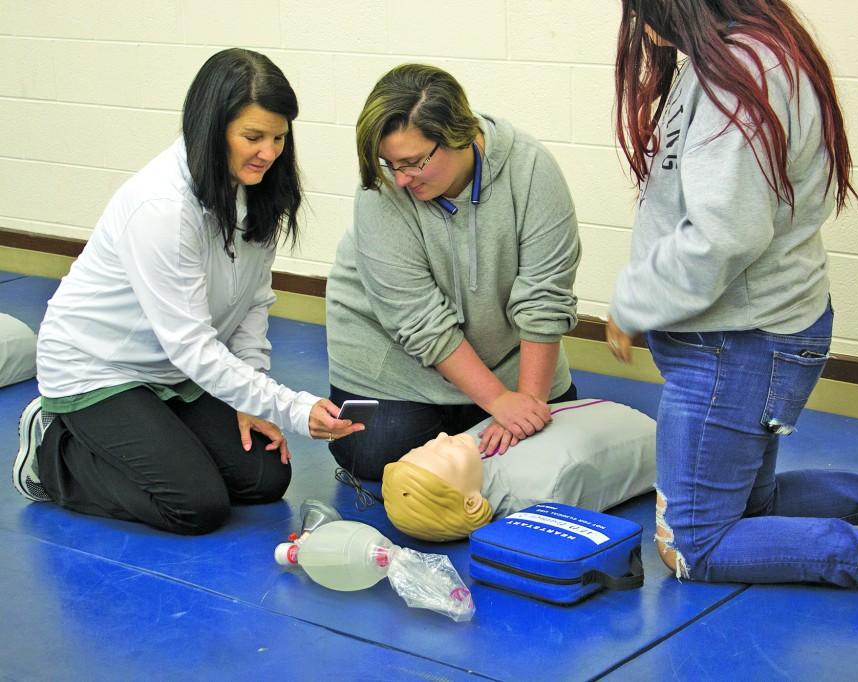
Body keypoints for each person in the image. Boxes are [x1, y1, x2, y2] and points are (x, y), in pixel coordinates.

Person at [605, 0, 858, 586]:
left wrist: (636, 300)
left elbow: (727, 233)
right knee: (754, 509)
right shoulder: (742, 54)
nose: (638, 23)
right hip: (743, 338)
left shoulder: (741, 68)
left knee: (695, 546)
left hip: (735, 347)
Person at [12, 48, 360, 536]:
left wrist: (251, 398)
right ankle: (54, 456)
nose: (270, 152)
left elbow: (253, 303)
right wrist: (295, 409)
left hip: (172, 370)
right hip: (98, 369)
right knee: (195, 506)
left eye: (279, 137)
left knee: (265, 477)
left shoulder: (256, 187)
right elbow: (193, 346)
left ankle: (150, 438)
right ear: (211, 128)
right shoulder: (162, 208)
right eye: (253, 137)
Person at [326, 64, 581, 482]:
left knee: (544, 437)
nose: (402, 179)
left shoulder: (531, 169)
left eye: (413, 162)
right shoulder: (382, 187)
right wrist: (498, 402)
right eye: (389, 164)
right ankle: (471, 416)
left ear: (458, 135)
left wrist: (526, 405)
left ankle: (475, 416)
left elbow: (545, 297)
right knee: (372, 453)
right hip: (396, 367)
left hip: (505, 358)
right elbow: (417, 320)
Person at [381, 399, 657, 541]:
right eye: (445, 454)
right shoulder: (546, 490)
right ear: (472, 501)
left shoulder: (470, 448)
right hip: (649, 432)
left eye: (429, 445)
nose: (442, 437)